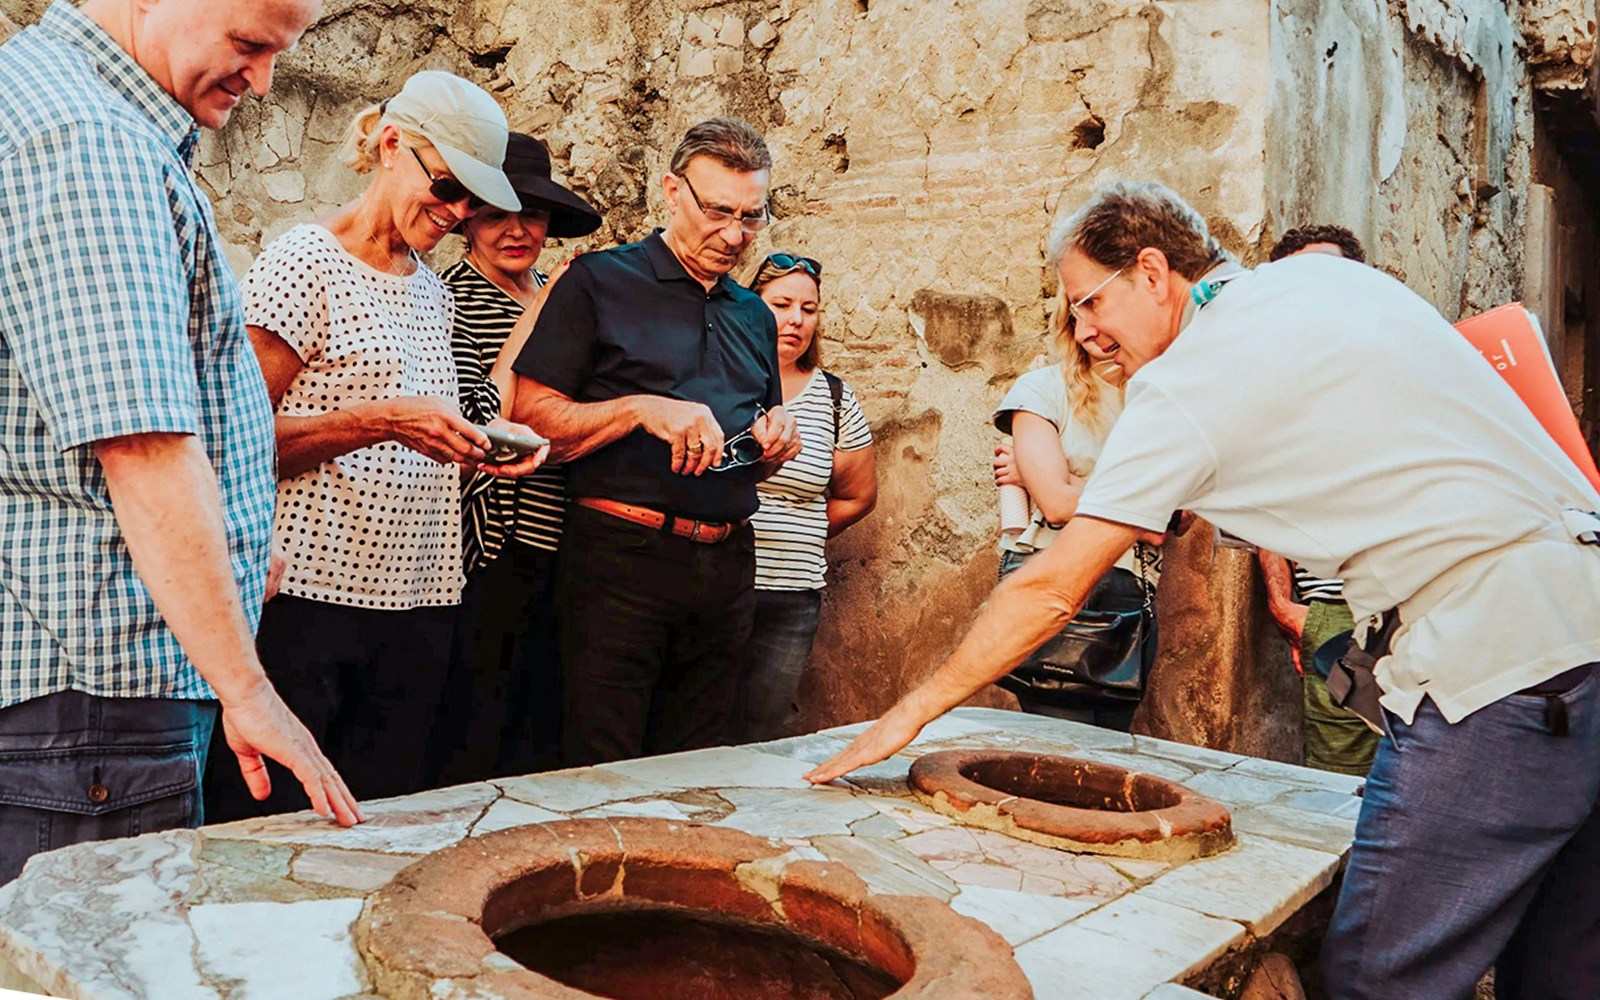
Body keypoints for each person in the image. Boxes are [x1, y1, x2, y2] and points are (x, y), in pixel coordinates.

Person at [805, 180, 1600, 999]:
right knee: (1562, 971)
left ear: (1152, 272)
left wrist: (906, 713)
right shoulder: (1330, 283)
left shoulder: (1192, 379)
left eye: (1088, 304)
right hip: (1582, 628)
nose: (1084, 332)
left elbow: (1050, 588)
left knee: (1376, 980)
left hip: (1499, 670)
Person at [0, 0, 361, 883]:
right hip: (94, 695)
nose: (266, 79)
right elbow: (143, 448)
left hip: (71, 703)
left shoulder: (50, 103)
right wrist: (248, 687)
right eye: (249, 43)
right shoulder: (90, 143)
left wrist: (237, 552)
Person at [206, 71, 549, 821]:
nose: (458, 213)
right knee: (274, 832)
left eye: (474, 204)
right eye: (449, 188)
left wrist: (474, 444)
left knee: (383, 827)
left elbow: (413, 427)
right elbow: (231, 445)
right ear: (392, 144)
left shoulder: (432, 287)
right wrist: (383, 421)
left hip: (421, 603)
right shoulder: (305, 262)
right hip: (307, 604)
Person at [510, 118, 801, 766]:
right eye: (719, 211)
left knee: (695, 763)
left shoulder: (755, 314)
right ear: (672, 192)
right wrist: (638, 410)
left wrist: (774, 442)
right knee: (599, 763)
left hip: (727, 567)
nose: (735, 236)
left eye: (752, 217)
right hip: (618, 562)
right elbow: (528, 421)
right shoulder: (597, 282)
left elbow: (753, 448)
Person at [430, 132, 602, 784]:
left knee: (550, 725)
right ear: (467, 218)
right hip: (496, 543)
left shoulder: (576, 301)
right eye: (497, 213)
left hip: (578, 539)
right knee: (483, 716)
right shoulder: (450, 301)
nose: (516, 230)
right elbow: (481, 425)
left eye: (531, 214)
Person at [990, 299, 1160, 731]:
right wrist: (1141, 504)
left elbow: (1172, 522)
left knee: (1110, 744)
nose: (1087, 331)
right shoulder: (1041, 390)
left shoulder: (1158, 399)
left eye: (1096, 313)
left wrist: (1068, 478)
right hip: (1052, 577)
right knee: (1054, 738)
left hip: (1129, 589)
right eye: (1075, 317)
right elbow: (1057, 505)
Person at [1253, 223, 1378, 777]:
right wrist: (1285, 605)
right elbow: (1262, 498)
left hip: (1427, 601)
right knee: (1342, 783)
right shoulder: (1276, 385)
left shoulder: (1390, 364)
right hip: (1334, 614)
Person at [736, 253, 876, 741]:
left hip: (792, 595)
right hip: (715, 584)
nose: (796, 319)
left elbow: (858, 495)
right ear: (748, 306)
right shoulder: (721, 383)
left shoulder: (835, 397)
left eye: (808, 308)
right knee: (695, 724)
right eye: (781, 304)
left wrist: (807, 531)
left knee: (761, 730)